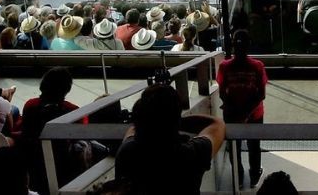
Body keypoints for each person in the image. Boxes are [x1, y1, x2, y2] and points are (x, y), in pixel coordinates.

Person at [115, 84, 225, 195]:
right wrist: (177, 120)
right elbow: (217, 124)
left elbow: (133, 129)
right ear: (176, 121)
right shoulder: (191, 154)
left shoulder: (127, 153)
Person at [217, 30, 268, 188]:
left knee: (234, 147)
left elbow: (222, 93)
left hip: (232, 115)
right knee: (254, 146)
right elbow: (261, 94)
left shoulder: (224, 66)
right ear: (248, 46)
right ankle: (254, 176)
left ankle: (238, 177)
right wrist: (247, 113)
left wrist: (236, 111)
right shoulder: (257, 66)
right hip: (254, 115)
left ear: (233, 46)